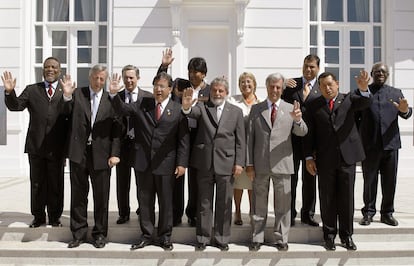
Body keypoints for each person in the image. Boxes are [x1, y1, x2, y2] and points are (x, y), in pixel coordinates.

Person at [110, 72, 190, 251]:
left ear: (170, 89)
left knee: (166, 202)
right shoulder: (142, 103)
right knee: (145, 201)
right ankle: (146, 235)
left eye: (162, 86)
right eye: (156, 86)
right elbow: (122, 110)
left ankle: (165, 237)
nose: (158, 89)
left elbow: (183, 139)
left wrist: (182, 163)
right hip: (143, 163)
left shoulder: (177, 110)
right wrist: (114, 95)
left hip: (166, 164)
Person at [303, 71, 371, 251]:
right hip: (325, 160)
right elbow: (309, 133)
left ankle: (346, 235)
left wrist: (364, 89)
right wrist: (309, 157)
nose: (327, 88)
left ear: (337, 84)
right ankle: (329, 235)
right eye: (323, 85)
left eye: (330, 84)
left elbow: (365, 102)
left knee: (346, 198)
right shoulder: (313, 105)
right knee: (327, 199)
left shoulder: (349, 99)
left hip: (347, 158)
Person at [1, 57, 70, 228]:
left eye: (54, 67)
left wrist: (68, 96)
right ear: (42, 70)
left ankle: (55, 217)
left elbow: (72, 113)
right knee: (37, 184)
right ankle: (38, 217)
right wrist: (10, 92)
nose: (50, 69)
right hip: (36, 146)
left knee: (56, 183)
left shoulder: (65, 91)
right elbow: (15, 106)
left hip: (57, 148)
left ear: (59, 71)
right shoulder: (32, 90)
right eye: (46, 67)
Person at [181, 77, 245, 252]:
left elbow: (241, 140)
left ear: (226, 92)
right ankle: (203, 238)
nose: (217, 93)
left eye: (220, 91)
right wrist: (186, 107)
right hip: (205, 162)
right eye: (214, 90)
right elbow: (191, 113)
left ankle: (222, 238)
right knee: (204, 203)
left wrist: (239, 162)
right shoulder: (202, 107)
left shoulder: (236, 112)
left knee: (224, 203)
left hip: (227, 162)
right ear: (210, 91)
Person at [246, 73, 308, 252]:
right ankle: (257, 237)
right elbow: (250, 138)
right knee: (259, 204)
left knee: (283, 205)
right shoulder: (256, 109)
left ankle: (281, 238)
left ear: (282, 89)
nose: (275, 90)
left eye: (278, 87)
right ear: (267, 88)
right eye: (272, 87)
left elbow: (302, 132)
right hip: (260, 164)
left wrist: (297, 119)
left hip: (283, 163)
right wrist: (249, 164)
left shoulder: (291, 108)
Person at [62, 65, 122, 249]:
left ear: (105, 80)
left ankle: (99, 234)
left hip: (102, 155)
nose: (98, 82)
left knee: (101, 196)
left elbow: (118, 128)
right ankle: (79, 233)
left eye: (101, 79)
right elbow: (64, 114)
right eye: (95, 78)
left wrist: (114, 153)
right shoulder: (77, 94)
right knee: (78, 195)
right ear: (90, 77)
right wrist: (66, 96)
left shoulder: (111, 99)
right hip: (79, 153)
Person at [158, 48, 210, 227]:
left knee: (196, 180)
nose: (191, 75)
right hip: (179, 138)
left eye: (195, 72)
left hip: (199, 141)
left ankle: (193, 214)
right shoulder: (180, 85)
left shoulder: (210, 92)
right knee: (177, 176)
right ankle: (175, 213)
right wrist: (164, 66)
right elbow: (162, 83)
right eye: (189, 71)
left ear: (203, 74)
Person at [356, 62, 412, 227]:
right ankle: (368, 212)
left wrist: (404, 111)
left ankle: (387, 213)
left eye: (383, 71)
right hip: (370, 145)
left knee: (389, 181)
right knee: (369, 181)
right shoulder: (364, 93)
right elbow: (355, 115)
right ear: (372, 74)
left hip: (390, 145)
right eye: (377, 71)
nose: (380, 73)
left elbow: (407, 113)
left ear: (387, 75)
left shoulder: (396, 93)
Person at [282, 54, 321, 226]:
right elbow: (281, 105)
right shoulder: (292, 85)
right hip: (292, 139)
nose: (308, 69)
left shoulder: (322, 86)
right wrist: (283, 86)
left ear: (318, 68)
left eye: (312, 67)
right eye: (306, 66)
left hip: (312, 141)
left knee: (310, 179)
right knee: (291, 178)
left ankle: (308, 213)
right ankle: (289, 213)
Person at [115, 65, 153, 225]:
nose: (128, 80)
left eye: (131, 77)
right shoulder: (116, 96)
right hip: (123, 145)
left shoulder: (148, 97)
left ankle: (142, 209)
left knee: (142, 182)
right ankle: (123, 213)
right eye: (126, 77)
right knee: (122, 182)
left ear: (138, 78)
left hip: (141, 146)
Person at [227, 72, 261, 226]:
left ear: (254, 84)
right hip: (238, 145)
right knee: (239, 183)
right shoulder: (233, 100)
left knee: (252, 183)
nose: (245, 85)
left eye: (248, 82)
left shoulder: (261, 102)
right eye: (242, 82)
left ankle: (253, 211)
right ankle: (238, 211)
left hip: (256, 148)